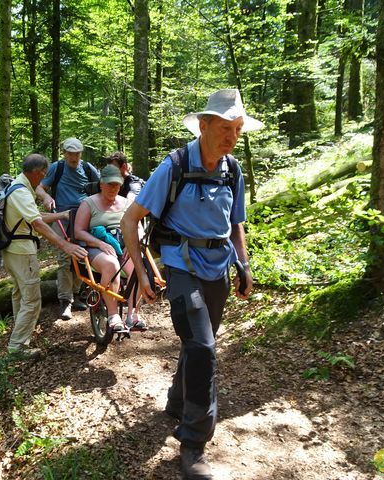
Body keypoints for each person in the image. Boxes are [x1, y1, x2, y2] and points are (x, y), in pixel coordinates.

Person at [121, 89, 260, 480]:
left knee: (199, 343)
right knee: (202, 347)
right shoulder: (175, 165)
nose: (231, 136)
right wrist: (143, 271)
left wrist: (244, 265)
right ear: (203, 125)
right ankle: (194, 446)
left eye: (237, 129)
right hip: (181, 265)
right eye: (224, 128)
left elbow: (236, 224)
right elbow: (130, 219)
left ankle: (177, 400)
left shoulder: (233, 169)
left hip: (218, 267)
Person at [3, 153, 88, 360]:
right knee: (32, 299)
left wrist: (61, 215)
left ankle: (19, 330)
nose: (43, 178)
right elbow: (37, 224)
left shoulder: (14, 187)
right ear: (37, 172)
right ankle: (18, 347)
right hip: (22, 251)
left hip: (12, 250)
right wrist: (65, 245)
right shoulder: (22, 192)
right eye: (43, 174)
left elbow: (35, 215)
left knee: (19, 294)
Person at [73, 165, 146, 332]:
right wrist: (100, 243)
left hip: (124, 245)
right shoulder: (88, 203)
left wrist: (132, 243)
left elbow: (139, 227)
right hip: (97, 247)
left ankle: (133, 314)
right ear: (101, 184)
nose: (114, 188)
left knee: (139, 266)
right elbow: (79, 232)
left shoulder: (128, 203)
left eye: (117, 184)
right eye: (110, 184)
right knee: (111, 265)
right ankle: (113, 315)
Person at [36, 137, 100, 320]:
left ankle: (77, 293)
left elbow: (101, 187)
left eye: (77, 154)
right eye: (71, 154)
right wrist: (46, 198)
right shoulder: (57, 167)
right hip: (61, 217)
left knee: (82, 254)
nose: (74, 157)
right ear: (65, 153)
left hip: (84, 217)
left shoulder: (88, 168)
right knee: (64, 258)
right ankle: (65, 301)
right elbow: (39, 188)